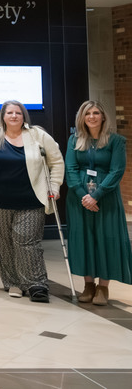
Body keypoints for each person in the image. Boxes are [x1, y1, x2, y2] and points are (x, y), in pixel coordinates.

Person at [0, 100, 64, 303]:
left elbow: (56, 161)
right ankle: (13, 282)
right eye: (10, 112)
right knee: (4, 243)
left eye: (18, 113)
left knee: (27, 241)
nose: (14, 116)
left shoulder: (38, 135)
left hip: (31, 199)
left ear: (24, 116)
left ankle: (36, 283)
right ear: (2, 116)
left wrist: (54, 186)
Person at [64, 101, 131, 306]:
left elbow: (117, 170)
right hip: (79, 199)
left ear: (103, 116)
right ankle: (88, 285)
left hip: (106, 197)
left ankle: (103, 287)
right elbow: (71, 168)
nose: (91, 117)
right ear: (82, 118)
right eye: (87, 113)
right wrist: (82, 194)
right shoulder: (74, 139)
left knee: (107, 239)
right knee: (83, 239)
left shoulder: (116, 141)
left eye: (96, 113)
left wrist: (97, 195)